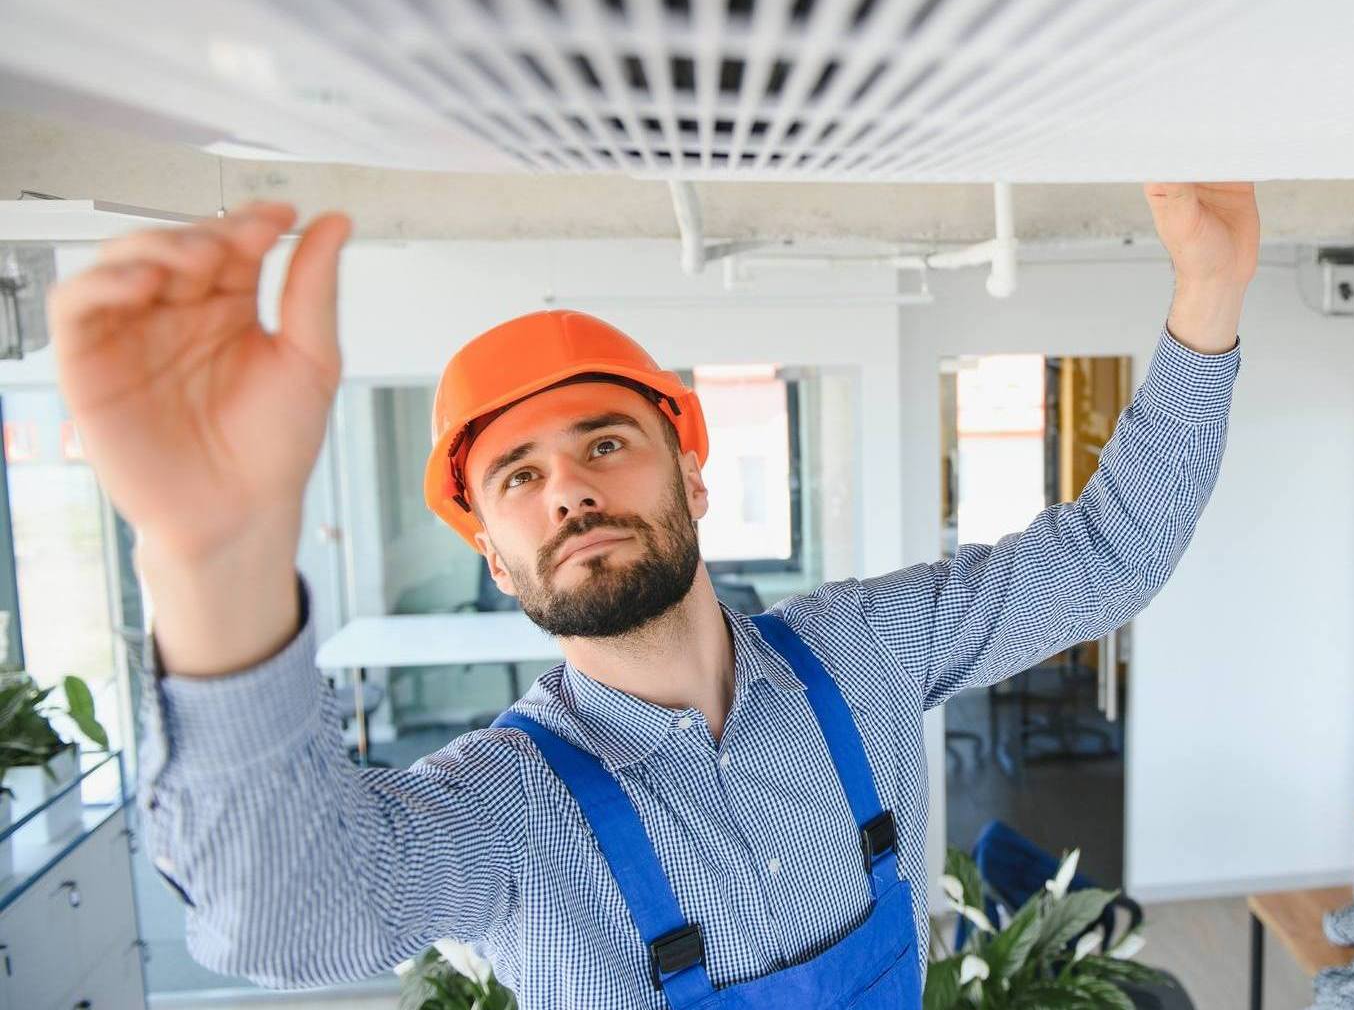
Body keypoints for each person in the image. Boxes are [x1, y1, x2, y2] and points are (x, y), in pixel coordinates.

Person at [48, 182, 1258, 1008]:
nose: (566, 485)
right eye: (517, 475)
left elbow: (1109, 557)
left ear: (690, 467)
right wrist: (213, 563)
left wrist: (1208, 297)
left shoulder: (867, 649)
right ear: (494, 554)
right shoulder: (508, 807)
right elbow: (284, 919)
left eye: (604, 444)